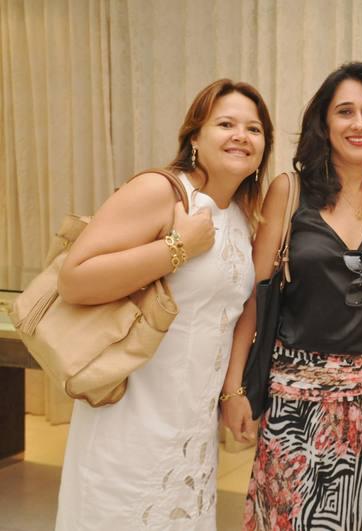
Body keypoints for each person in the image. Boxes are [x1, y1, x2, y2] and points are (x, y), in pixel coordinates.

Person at [55, 79, 271, 529]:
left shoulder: (240, 215)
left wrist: (232, 392)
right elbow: (74, 279)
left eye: (253, 129)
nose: (241, 136)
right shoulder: (160, 190)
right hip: (129, 419)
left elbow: (237, 313)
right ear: (195, 137)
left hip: (190, 429)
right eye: (226, 124)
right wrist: (178, 247)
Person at [220, 62, 362, 530]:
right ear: (324, 123)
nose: (359, 123)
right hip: (296, 401)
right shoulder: (289, 192)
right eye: (345, 111)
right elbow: (253, 299)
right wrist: (234, 389)